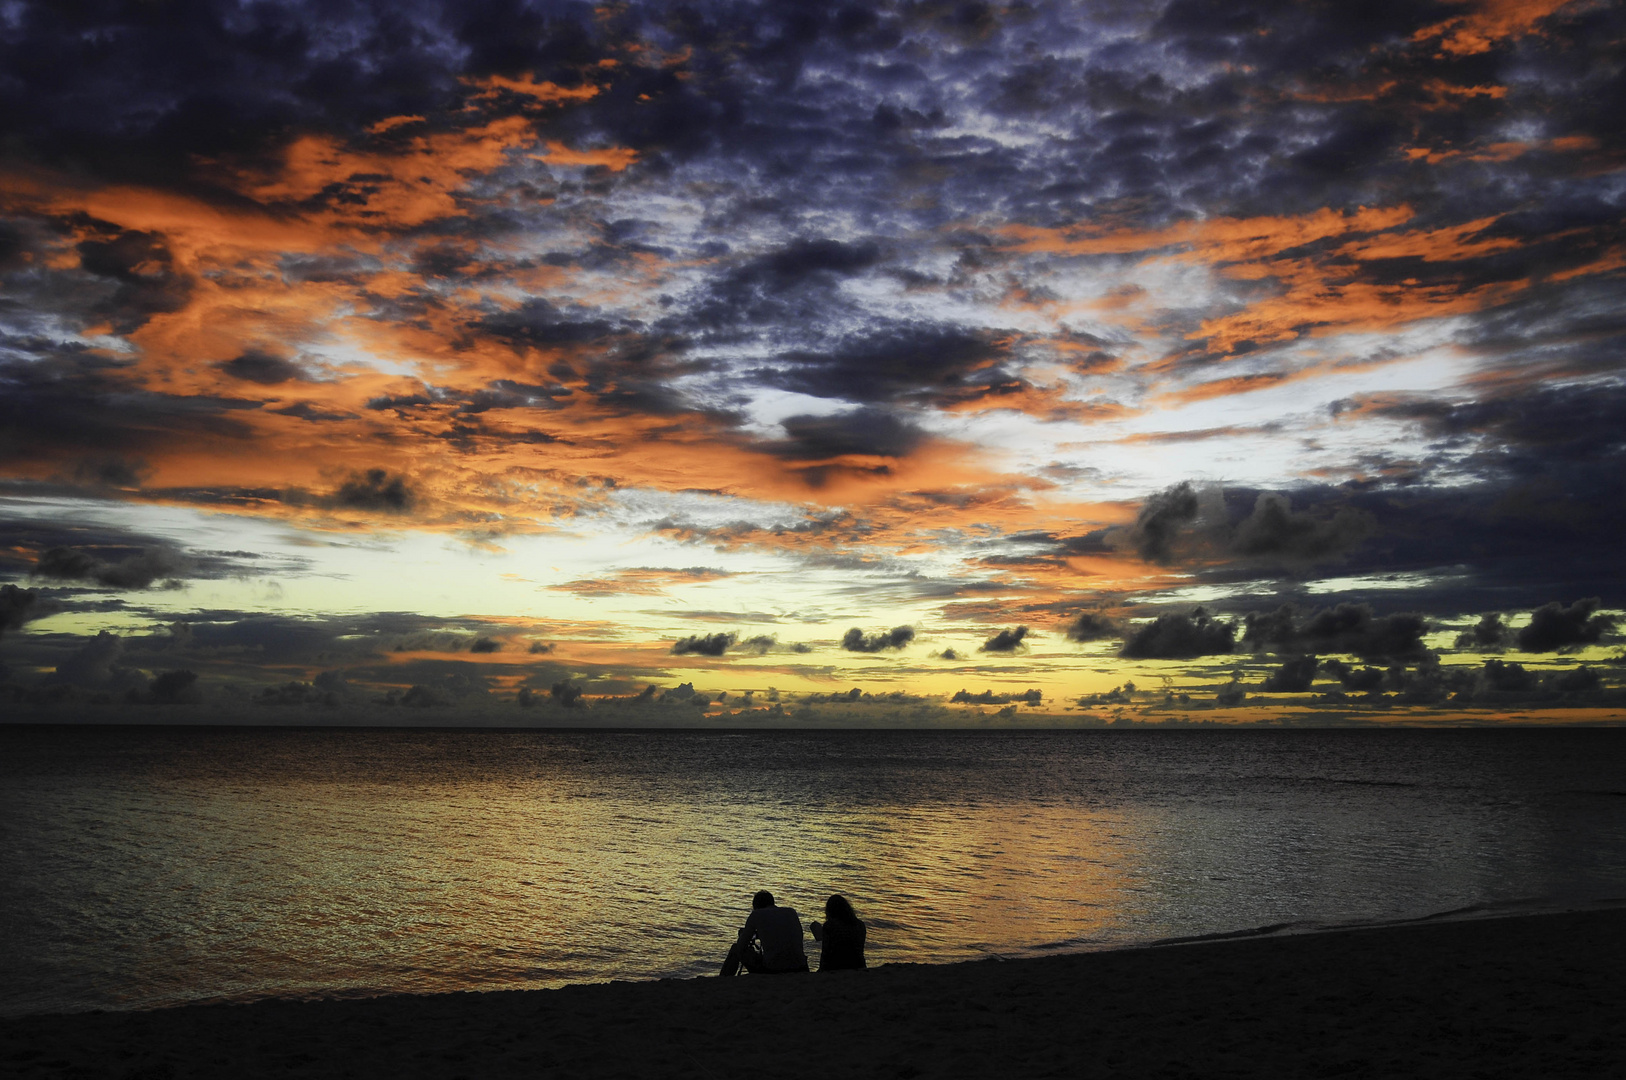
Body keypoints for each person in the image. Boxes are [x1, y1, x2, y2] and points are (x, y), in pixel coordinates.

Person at [719, 890, 809, 976]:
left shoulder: (756, 915)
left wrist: (743, 935)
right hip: (800, 967)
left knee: (735, 949)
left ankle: (723, 979)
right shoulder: (791, 912)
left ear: (755, 906)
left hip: (774, 969)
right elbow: (779, 934)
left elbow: (741, 946)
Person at [808, 894, 866, 971]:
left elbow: (826, 953)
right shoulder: (860, 924)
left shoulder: (829, 926)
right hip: (858, 965)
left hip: (836, 966)